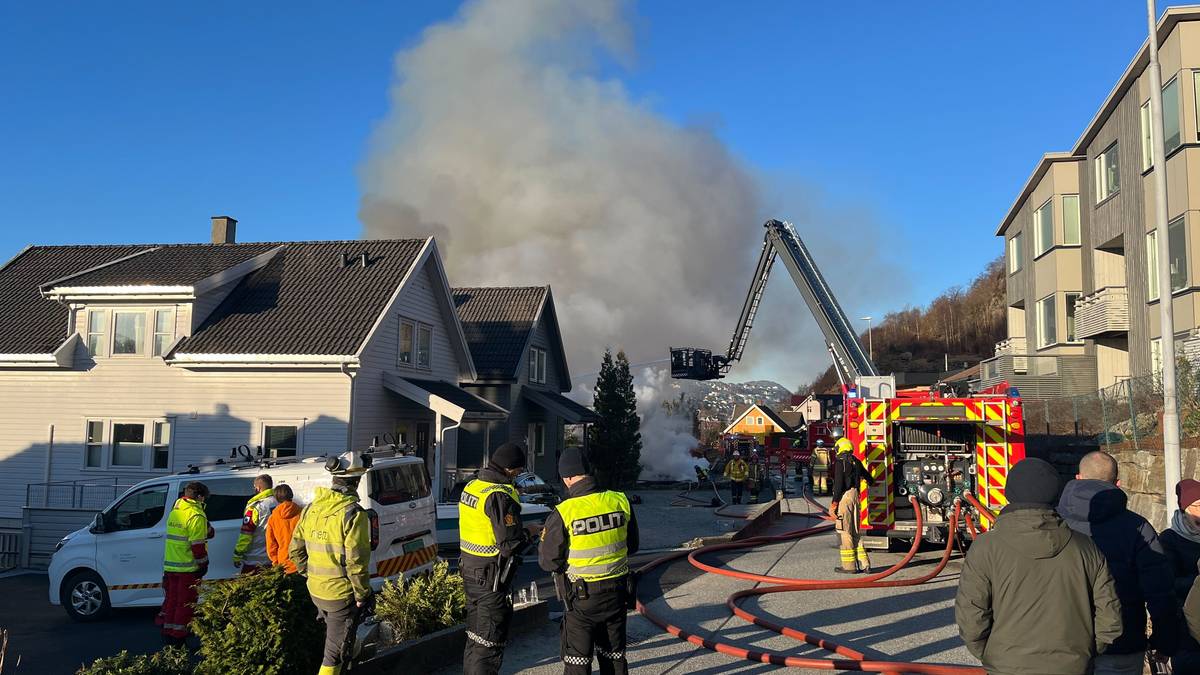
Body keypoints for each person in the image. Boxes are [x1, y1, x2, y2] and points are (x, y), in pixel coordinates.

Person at [955, 457, 1123, 675]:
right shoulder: (1085, 547)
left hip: (1007, 667)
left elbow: (971, 615)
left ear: (1010, 493)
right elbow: (1109, 617)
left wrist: (991, 654)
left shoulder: (985, 548)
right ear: (1056, 494)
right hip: (1072, 666)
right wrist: (1085, 653)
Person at [1056, 451, 1178, 674]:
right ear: (1118, 484)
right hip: (1121, 643)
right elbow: (1159, 590)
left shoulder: (1054, 524)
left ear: (1077, 478)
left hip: (1061, 644)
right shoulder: (1137, 527)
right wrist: (1164, 640)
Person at [539, 446, 639, 675]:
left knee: (578, 663)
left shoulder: (564, 512)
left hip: (581, 600)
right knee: (613, 656)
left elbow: (549, 562)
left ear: (567, 477)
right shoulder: (620, 501)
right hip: (617, 594)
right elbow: (632, 546)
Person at [458, 441, 538, 675]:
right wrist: (531, 531)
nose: (519, 475)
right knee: (489, 644)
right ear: (509, 468)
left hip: (470, 574)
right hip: (492, 579)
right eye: (519, 470)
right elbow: (509, 544)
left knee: (475, 640)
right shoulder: (499, 496)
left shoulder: (473, 486)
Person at [290, 452, 372, 675]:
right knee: (333, 655)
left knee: (337, 641)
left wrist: (308, 573)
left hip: (316, 590)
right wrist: (362, 594)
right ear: (356, 480)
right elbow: (356, 562)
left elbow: (295, 550)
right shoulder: (353, 514)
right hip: (340, 595)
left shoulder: (311, 509)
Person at [159, 481, 211, 645]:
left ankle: (168, 632)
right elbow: (197, 545)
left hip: (170, 565)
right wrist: (203, 564)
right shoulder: (196, 515)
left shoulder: (176, 510)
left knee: (172, 600)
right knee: (185, 603)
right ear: (200, 497)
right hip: (187, 567)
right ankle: (179, 637)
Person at [1161, 479, 1200, 672]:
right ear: (1184, 509)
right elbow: (1169, 583)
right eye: (1197, 506)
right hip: (1186, 628)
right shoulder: (1170, 540)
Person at [829, 438, 874, 574]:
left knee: (845, 531)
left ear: (840, 448)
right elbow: (869, 478)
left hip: (845, 498)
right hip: (856, 497)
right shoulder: (856, 461)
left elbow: (838, 485)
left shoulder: (840, 463)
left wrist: (834, 504)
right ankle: (865, 563)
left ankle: (849, 566)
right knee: (855, 532)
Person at [234, 474, 278, 574]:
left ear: (258, 488)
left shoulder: (255, 507)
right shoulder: (278, 502)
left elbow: (246, 534)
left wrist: (237, 554)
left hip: (254, 560)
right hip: (274, 557)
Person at [266, 484, 301, 573]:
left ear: (276, 498)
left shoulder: (273, 518)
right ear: (291, 495)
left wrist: (275, 562)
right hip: (302, 560)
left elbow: (271, 543)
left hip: (283, 562)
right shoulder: (302, 513)